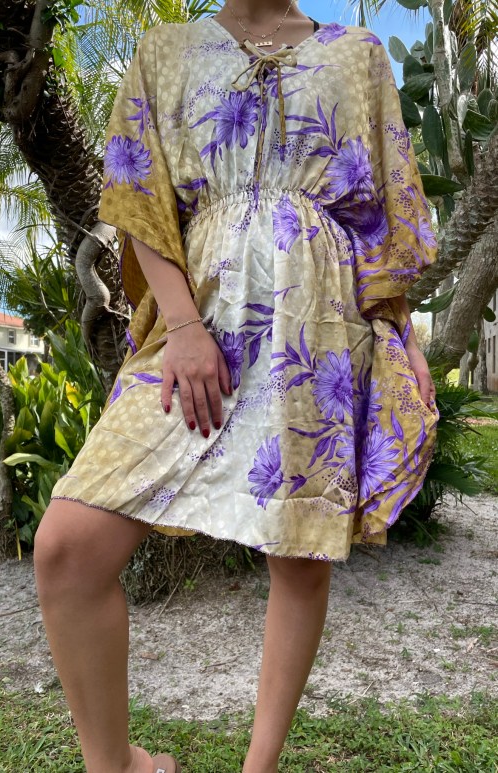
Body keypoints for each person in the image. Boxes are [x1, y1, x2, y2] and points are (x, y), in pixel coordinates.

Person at [33, 1, 439, 771]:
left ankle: (260, 765)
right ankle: (117, 764)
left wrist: (402, 336)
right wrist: (183, 326)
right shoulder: (167, 51)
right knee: (68, 548)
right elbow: (140, 198)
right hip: (199, 325)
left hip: (319, 322)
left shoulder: (358, 55)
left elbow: (382, 216)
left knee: (298, 553)